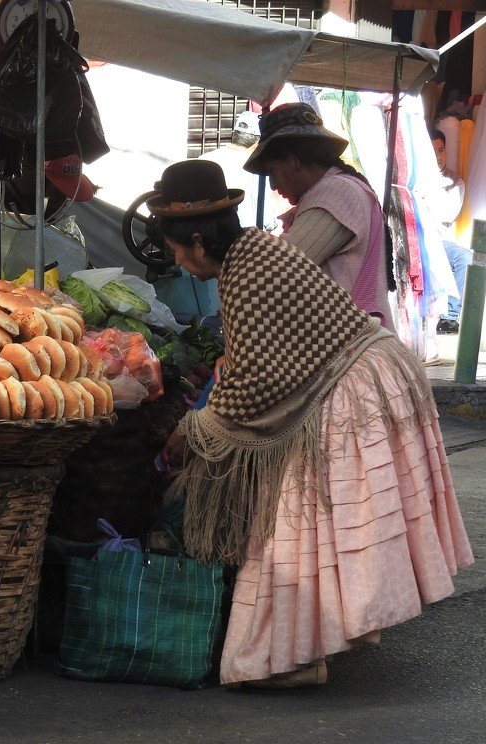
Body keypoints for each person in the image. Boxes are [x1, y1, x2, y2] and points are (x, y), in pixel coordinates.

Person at [156, 160, 472, 688]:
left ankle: (287, 659)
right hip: (359, 376)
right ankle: (306, 646)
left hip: (349, 390)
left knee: (293, 529)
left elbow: (256, 381)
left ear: (196, 240)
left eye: (175, 250)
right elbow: (260, 361)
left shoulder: (248, 270)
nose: (178, 263)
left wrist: (194, 431)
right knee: (309, 529)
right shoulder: (252, 254)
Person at [243, 102, 395, 332]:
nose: (272, 185)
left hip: (353, 345)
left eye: (272, 172)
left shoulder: (337, 192)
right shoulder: (340, 189)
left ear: (293, 161)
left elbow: (277, 270)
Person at [198, 110, 280, 231]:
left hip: (208, 235)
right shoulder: (256, 168)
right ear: (257, 143)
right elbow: (267, 220)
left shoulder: (205, 160)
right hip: (244, 238)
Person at [427, 128, 470, 334]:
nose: (438, 156)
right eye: (433, 151)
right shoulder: (416, 178)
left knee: (465, 257)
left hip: (440, 241)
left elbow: (447, 214)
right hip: (419, 237)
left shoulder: (455, 181)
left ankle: (450, 318)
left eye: (441, 150)